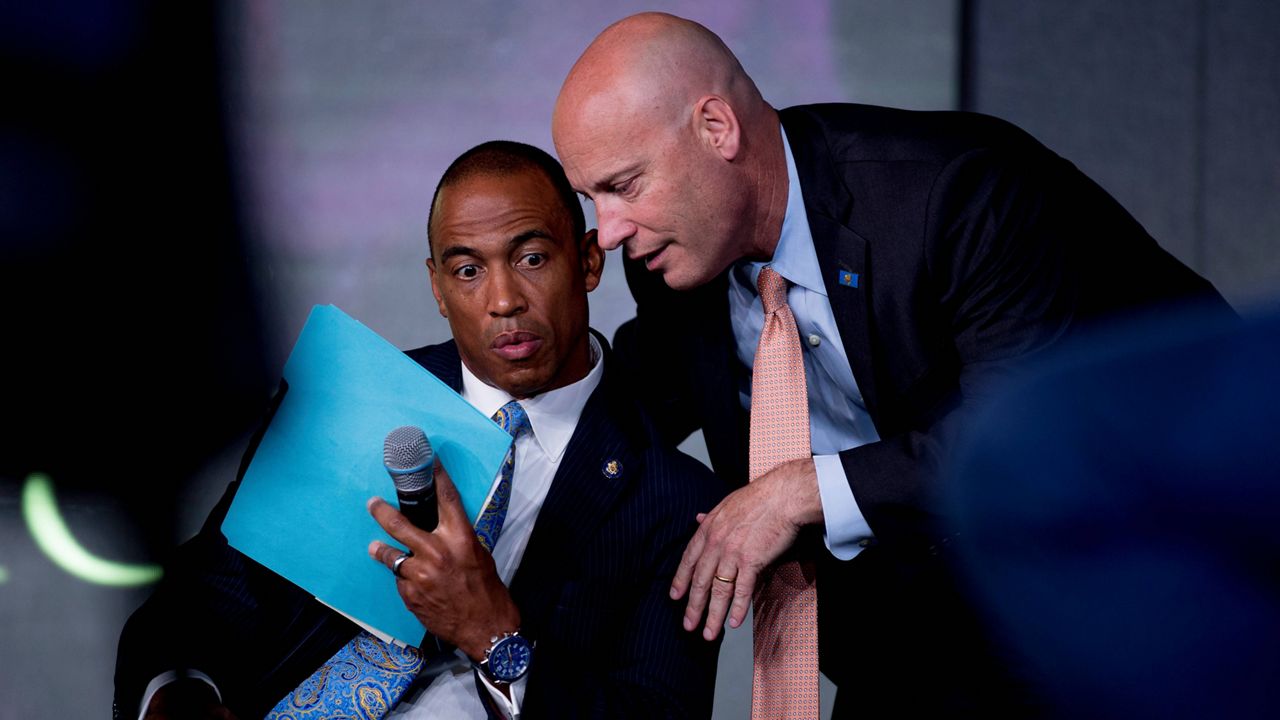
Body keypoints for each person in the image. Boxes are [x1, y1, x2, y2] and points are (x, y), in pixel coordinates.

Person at [551, 12, 1232, 716]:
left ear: (717, 129)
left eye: (625, 185)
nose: (610, 231)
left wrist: (797, 493)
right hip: (924, 626)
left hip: (1147, 579)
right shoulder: (673, 261)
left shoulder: (958, 194)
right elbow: (619, 420)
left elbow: (1027, 447)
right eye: (591, 198)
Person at [114, 140, 725, 719]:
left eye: (532, 258)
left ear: (589, 261)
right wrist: (178, 693)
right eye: (467, 272)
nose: (504, 299)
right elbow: (209, 594)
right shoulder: (350, 398)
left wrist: (494, 635)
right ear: (436, 287)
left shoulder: (673, 500)